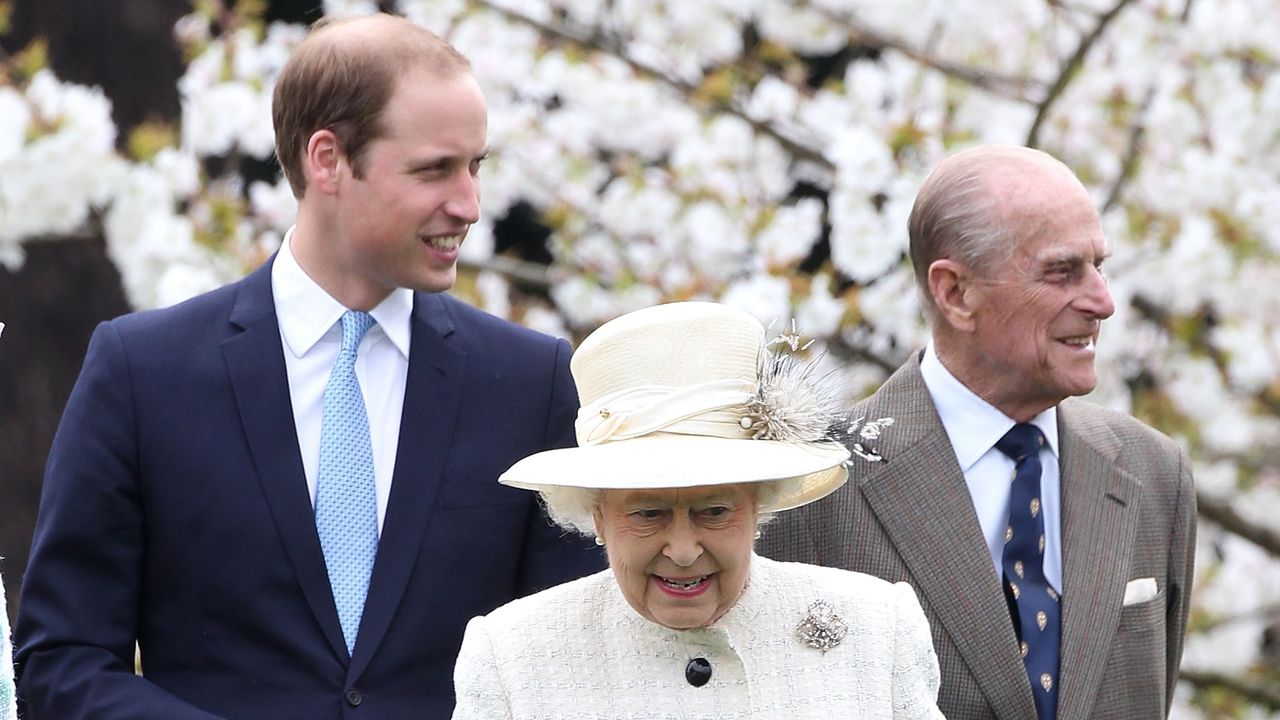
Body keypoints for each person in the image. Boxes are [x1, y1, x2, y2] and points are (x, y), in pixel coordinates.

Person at [15, 14, 602, 719]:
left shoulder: (531, 382)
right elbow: (61, 661)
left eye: (476, 166)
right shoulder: (140, 373)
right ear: (326, 159)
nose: (469, 205)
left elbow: (573, 667)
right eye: (434, 169)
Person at [759, 145, 1197, 720]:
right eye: (1062, 271)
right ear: (956, 293)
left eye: (1099, 266)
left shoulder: (1153, 472)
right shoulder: (812, 486)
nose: (1103, 302)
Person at [450, 301, 946, 719]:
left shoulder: (879, 628)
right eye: (648, 513)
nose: (684, 551)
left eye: (713, 510)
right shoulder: (511, 656)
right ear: (598, 515)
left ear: (758, 504)